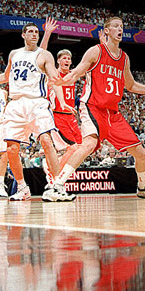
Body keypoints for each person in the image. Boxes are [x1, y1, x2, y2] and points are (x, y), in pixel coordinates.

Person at [44, 16, 145, 201]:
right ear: (107, 30)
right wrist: (63, 80)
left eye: (122, 26)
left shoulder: (124, 58)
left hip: (113, 113)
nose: (120, 29)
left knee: (141, 153)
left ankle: (142, 188)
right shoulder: (96, 51)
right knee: (89, 144)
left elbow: (131, 86)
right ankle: (57, 186)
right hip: (93, 107)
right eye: (116, 26)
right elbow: (76, 72)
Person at [0, 21, 69, 201]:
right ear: (23, 35)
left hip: (36, 102)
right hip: (15, 104)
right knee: (11, 149)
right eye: (30, 31)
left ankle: (58, 186)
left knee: (46, 140)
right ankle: (22, 188)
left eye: (36, 32)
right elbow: (5, 77)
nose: (34, 34)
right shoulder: (14, 54)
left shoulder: (45, 55)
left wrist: (62, 93)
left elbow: (54, 78)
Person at [39, 24, 83, 179]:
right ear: (58, 61)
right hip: (58, 115)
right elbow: (41, 54)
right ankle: (55, 175)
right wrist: (47, 33)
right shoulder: (52, 73)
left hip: (71, 116)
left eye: (69, 58)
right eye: (64, 58)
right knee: (73, 148)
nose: (67, 60)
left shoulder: (72, 75)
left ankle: (54, 166)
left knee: (82, 148)